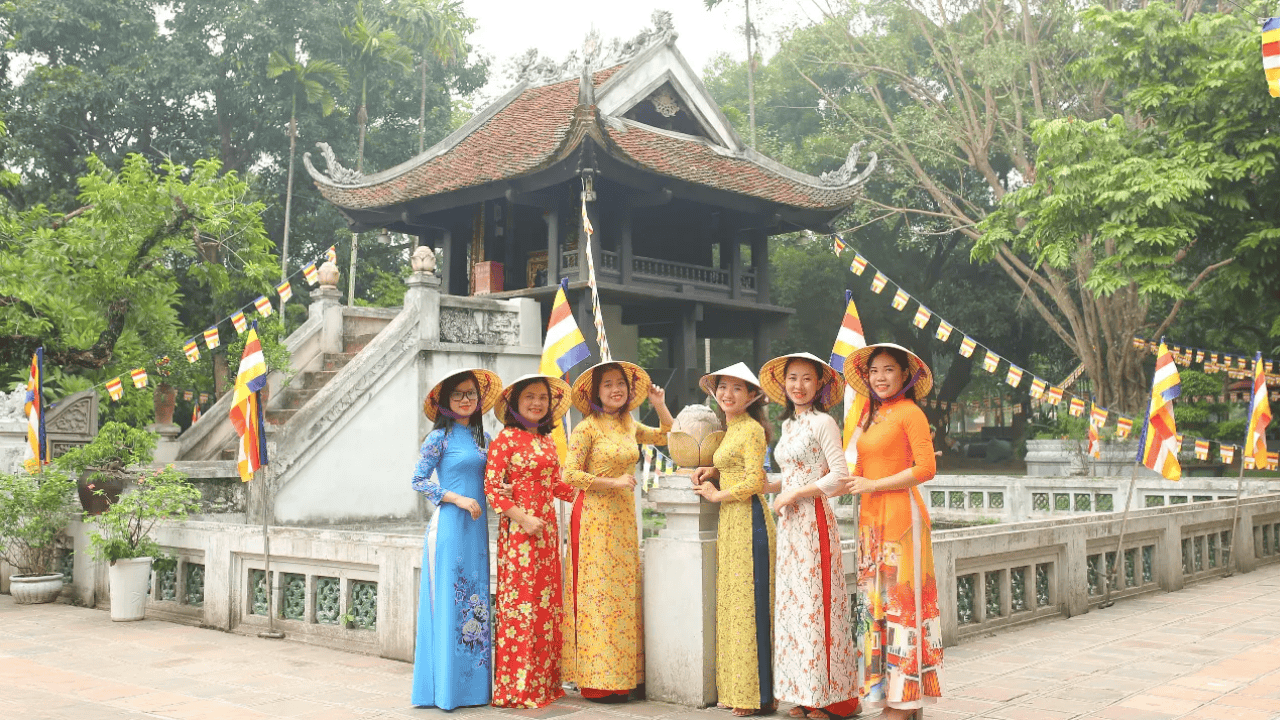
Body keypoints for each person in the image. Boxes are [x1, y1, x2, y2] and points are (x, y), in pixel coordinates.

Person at [563, 361, 675, 702]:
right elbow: (569, 475)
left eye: (621, 384)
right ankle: (597, 680)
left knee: (623, 595)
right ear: (595, 392)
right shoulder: (587, 428)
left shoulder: (627, 422)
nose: (616, 389)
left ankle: (625, 675)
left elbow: (666, 436)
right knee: (598, 594)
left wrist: (659, 405)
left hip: (624, 519)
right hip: (594, 517)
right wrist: (611, 481)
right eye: (608, 384)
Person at [842, 344, 943, 719]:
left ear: (905, 375)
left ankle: (905, 701)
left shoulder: (910, 412)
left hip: (902, 522)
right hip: (871, 523)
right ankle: (888, 696)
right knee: (876, 611)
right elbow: (862, 471)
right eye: (874, 371)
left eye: (888, 370)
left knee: (903, 609)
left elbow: (926, 468)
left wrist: (874, 485)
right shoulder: (871, 416)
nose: (880, 377)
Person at [759, 353, 860, 720]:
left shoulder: (823, 423)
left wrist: (795, 495)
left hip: (814, 522)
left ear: (819, 385)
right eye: (792, 378)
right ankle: (803, 695)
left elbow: (839, 476)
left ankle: (833, 699)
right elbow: (786, 478)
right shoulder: (788, 426)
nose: (798, 386)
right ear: (783, 384)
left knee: (818, 607)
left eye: (806, 379)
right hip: (789, 528)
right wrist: (759, 483)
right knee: (795, 611)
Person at [410, 368, 502, 710]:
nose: (466, 399)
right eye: (458, 394)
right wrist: (457, 498)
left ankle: (474, 691)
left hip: (476, 532)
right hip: (449, 528)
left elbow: (492, 482)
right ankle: (445, 691)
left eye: (471, 394)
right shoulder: (439, 439)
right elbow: (419, 480)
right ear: (446, 401)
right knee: (449, 602)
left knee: (474, 603)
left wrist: (502, 491)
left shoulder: (485, 440)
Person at [484, 374, 577, 709]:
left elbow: (557, 486)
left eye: (542, 398)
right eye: (529, 398)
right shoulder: (505, 439)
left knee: (545, 608)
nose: (537, 403)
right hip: (520, 538)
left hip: (548, 534)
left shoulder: (547, 442)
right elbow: (493, 489)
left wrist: (592, 489)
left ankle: (544, 684)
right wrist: (523, 519)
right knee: (520, 608)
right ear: (515, 404)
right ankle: (517, 688)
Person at [690, 362, 777, 717]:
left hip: (749, 519)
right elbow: (734, 466)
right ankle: (736, 688)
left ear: (753, 395)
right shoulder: (731, 428)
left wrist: (716, 494)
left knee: (749, 606)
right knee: (732, 605)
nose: (727, 394)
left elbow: (755, 481)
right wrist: (714, 470)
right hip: (732, 522)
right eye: (722, 387)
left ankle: (758, 695)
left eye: (737, 389)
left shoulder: (753, 429)